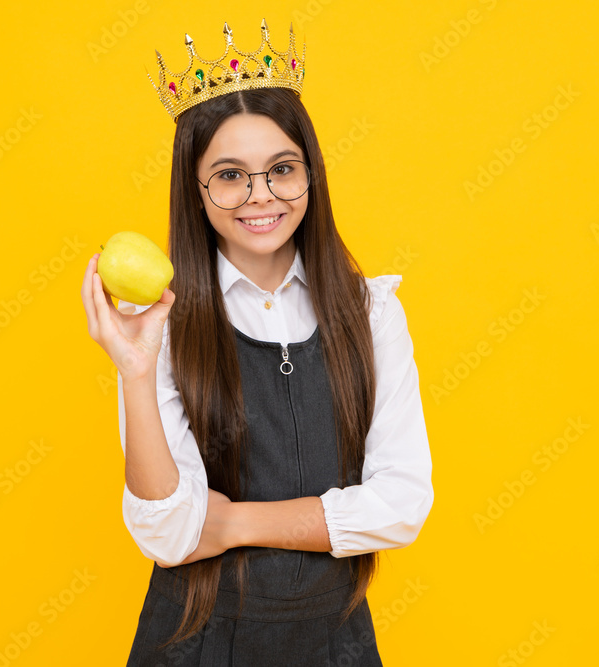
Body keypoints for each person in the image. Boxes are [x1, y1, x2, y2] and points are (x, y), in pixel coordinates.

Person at [81, 19, 433, 666]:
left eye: (281, 169)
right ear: (196, 186)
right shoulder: (161, 319)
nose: (260, 196)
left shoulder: (371, 312)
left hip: (336, 645)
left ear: (311, 174)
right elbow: (167, 530)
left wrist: (234, 523)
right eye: (230, 175)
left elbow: (402, 503)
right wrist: (135, 370)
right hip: (194, 645)